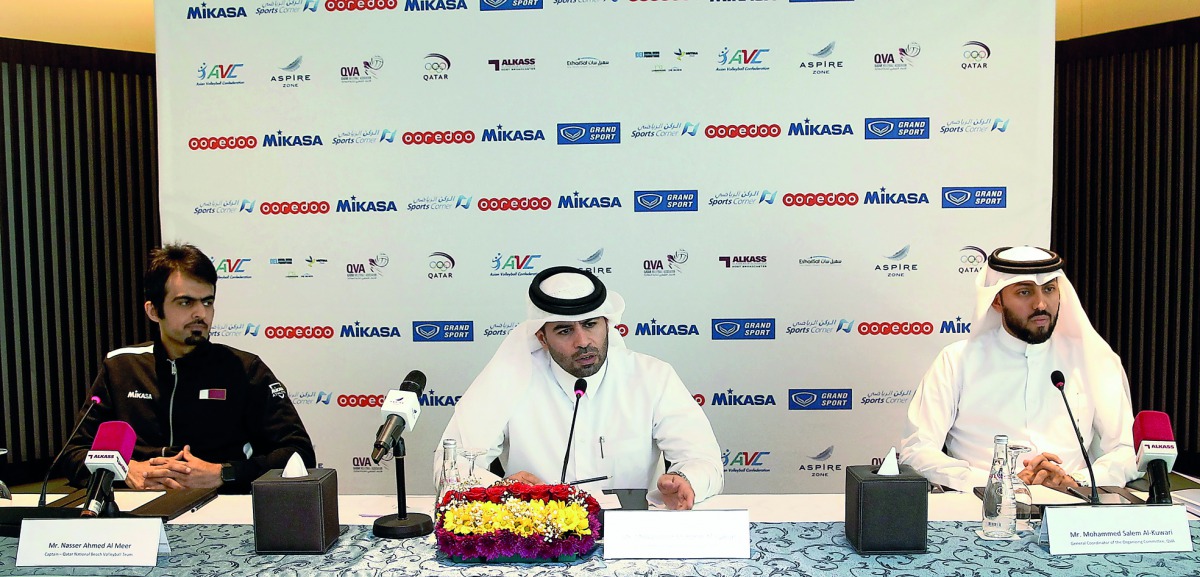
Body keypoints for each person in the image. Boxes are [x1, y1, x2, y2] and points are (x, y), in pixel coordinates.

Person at [437, 266, 723, 509]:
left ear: (607, 324)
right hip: (538, 539)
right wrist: (500, 488)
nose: (583, 341)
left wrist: (687, 480)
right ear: (541, 337)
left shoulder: (652, 377)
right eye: (564, 330)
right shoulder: (508, 378)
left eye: (590, 324)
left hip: (631, 539)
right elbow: (449, 466)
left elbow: (702, 459)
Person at [60, 243, 315, 493]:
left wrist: (224, 473)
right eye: (185, 303)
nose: (200, 314)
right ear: (153, 310)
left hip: (220, 509)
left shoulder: (245, 369)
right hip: (133, 508)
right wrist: (124, 470)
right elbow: (74, 453)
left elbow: (298, 454)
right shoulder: (120, 368)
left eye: (207, 302)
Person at [899, 246, 1137, 493]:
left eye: (1049, 289)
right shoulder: (956, 361)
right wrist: (998, 483)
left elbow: (1127, 449)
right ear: (997, 301)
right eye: (1024, 292)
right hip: (979, 506)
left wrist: (1080, 481)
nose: (1041, 303)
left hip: (1074, 506)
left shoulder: (1092, 360)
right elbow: (917, 449)